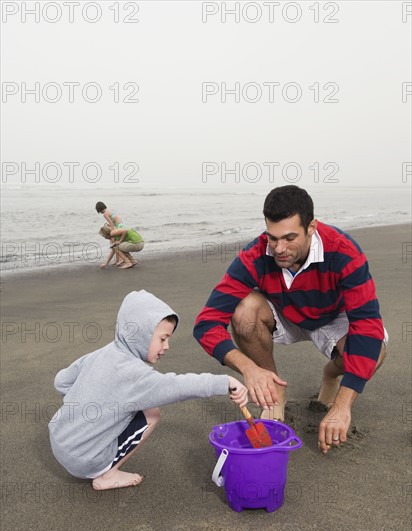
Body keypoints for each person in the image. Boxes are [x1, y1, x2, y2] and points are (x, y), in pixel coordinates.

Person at [193, 185, 388, 455]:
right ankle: (275, 393)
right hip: (282, 313)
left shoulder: (344, 252)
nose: (279, 249)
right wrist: (249, 368)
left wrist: (343, 406)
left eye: (289, 237)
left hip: (333, 316)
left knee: (375, 350)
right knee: (244, 310)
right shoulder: (256, 255)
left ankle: (331, 373)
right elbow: (206, 324)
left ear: (311, 227)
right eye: (272, 238)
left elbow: (367, 327)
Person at [49, 290, 248, 491]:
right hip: (83, 461)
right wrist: (225, 381)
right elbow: (177, 386)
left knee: (125, 408)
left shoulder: (101, 353)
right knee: (152, 413)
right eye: (163, 339)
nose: (167, 346)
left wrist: (90, 401)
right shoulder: (136, 376)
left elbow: (61, 382)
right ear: (141, 335)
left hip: (56, 438)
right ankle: (107, 476)